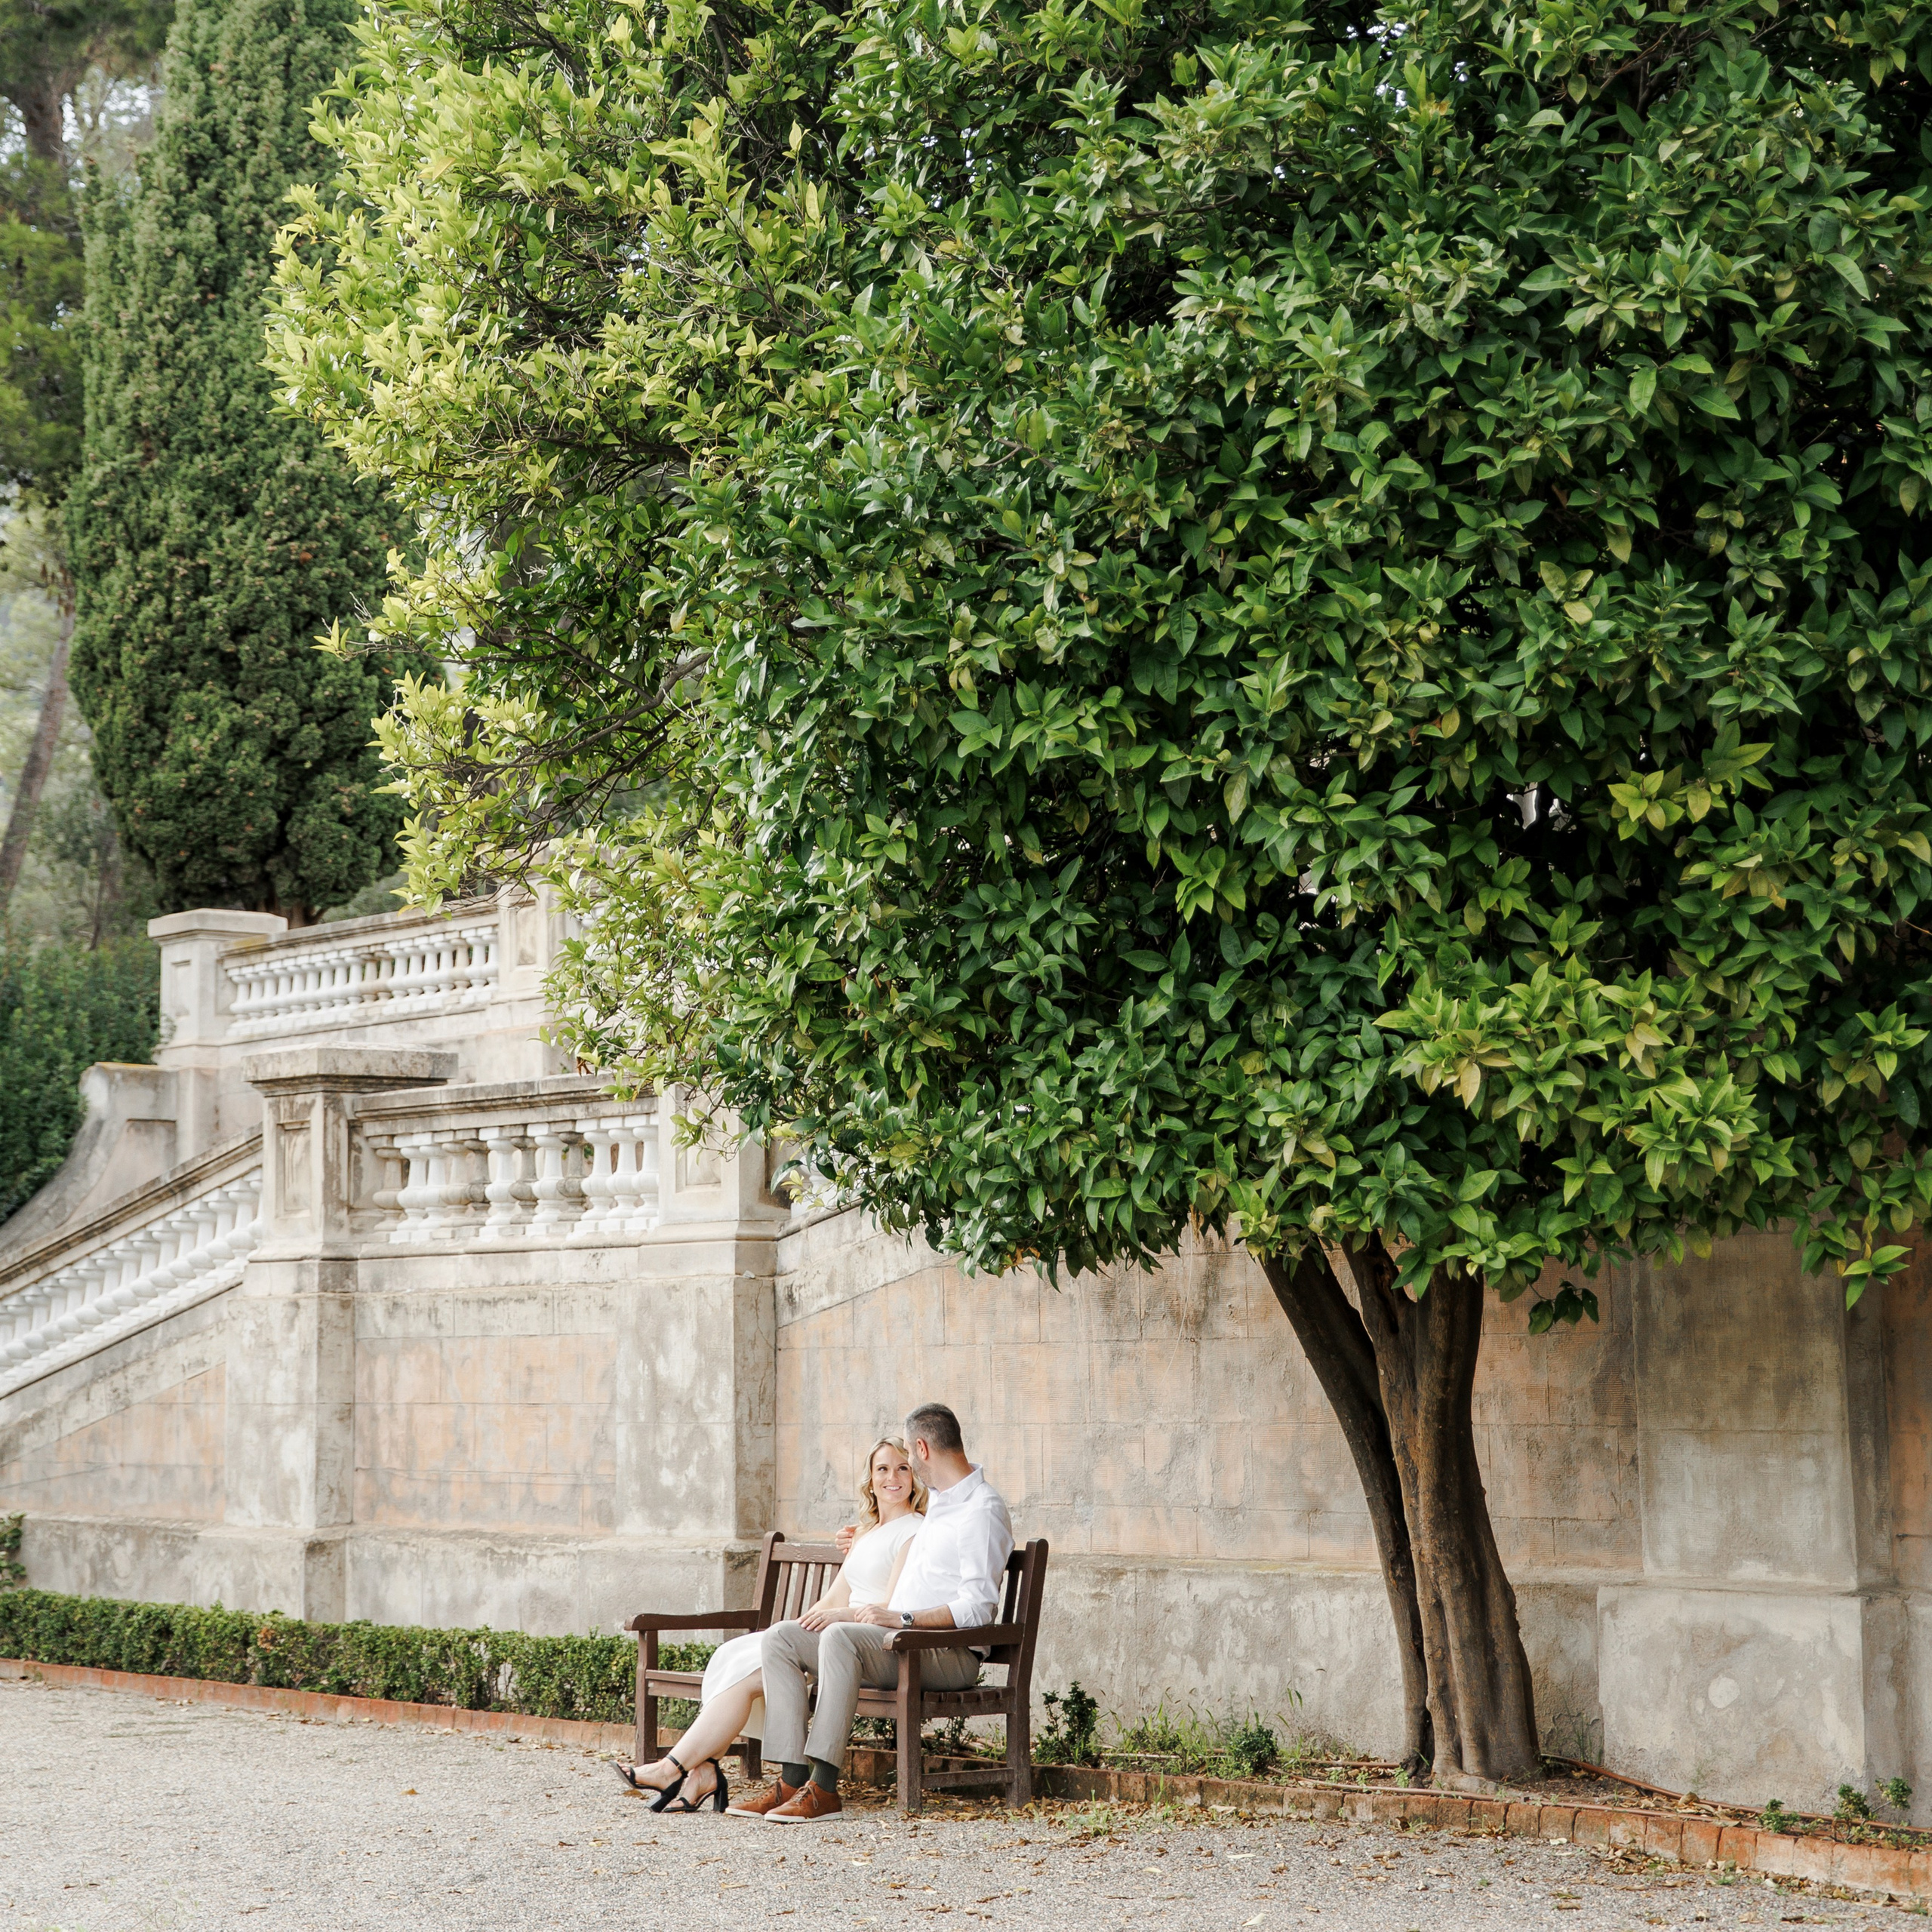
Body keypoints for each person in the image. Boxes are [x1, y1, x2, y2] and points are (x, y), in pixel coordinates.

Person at [732, 1401, 1014, 1822]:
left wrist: (902, 1619)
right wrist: (859, 1539)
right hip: (900, 1643)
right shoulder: (941, 1500)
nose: (906, 1473)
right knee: (782, 1638)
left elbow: (977, 1608)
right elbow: (897, 1534)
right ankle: (792, 1780)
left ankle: (824, 1789)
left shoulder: (981, 1511)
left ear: (921, 1449)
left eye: (908, 1461)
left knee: (840, 1636)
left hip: (944, 1654)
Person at [611, 1437, 926, 1812]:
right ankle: (702, 1771)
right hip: (837, 1632)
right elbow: (835, 1597)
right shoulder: (863, 1534)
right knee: (750, 1651)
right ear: (870, 1480)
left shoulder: (916, 1530)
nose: (893, 1477)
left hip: (866, 1640)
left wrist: (832, 1620)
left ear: (915, 1477)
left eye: (903, 1468)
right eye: (883, 1469)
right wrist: (804, 1624)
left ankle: (680, 1768)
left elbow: (890, 1606)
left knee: (750, 1669)